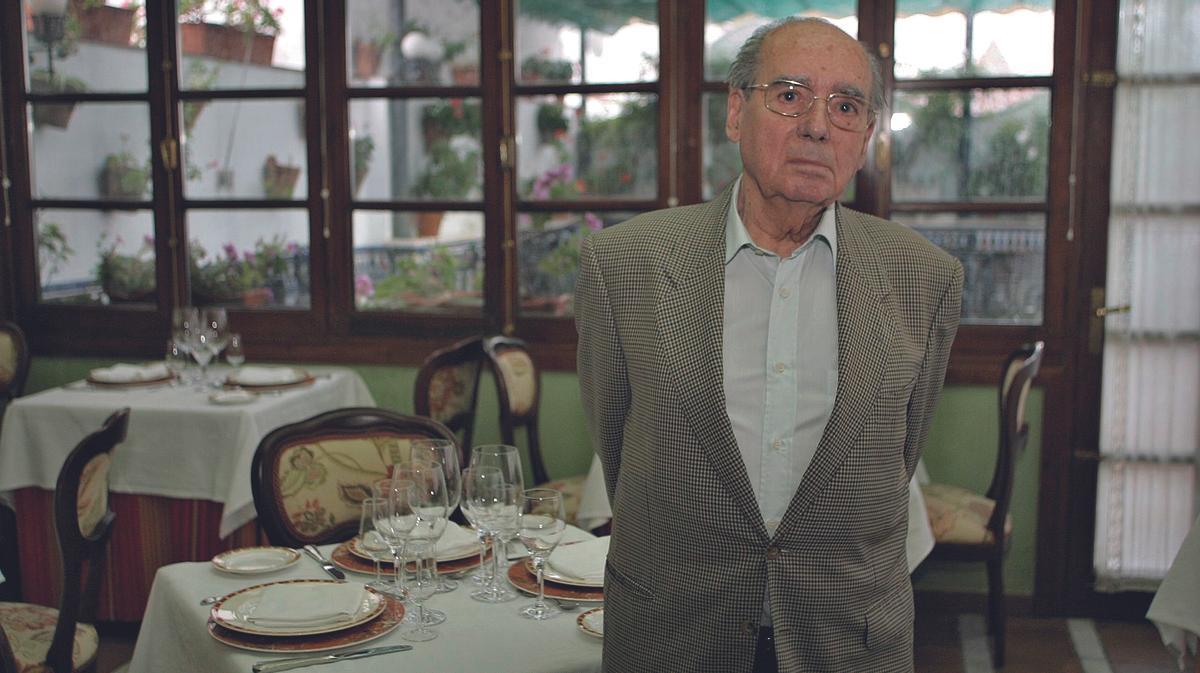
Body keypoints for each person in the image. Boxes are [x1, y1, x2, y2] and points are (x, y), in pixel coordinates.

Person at [575, 16, 963, 673]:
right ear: (735, 112)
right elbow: (616, 445)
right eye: (789, 95)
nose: (818, 126)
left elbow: (901, 453)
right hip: (674, 634)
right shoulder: (625, 265)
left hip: (847, 638)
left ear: (866, 135)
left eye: (845, 107)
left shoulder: (923, 278)